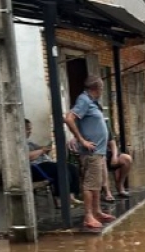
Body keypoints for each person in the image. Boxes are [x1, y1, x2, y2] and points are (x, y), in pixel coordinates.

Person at [64, 75, 115, 229]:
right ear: (96, 88)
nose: (102, 90)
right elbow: (69, 118)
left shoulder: (92, 102)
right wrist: (81, 140)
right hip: (91, 152)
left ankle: (97, 211)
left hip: (98, 151)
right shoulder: (84, 100)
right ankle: (88, 216)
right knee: (90, 185)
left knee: (97, 184)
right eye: (101, 87)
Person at [26, 118, 82, 206]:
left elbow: (41, 149)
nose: (30, 131)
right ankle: (60, 199)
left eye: (30, 129)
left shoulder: (31, 143)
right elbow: (27, 157)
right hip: (34, 167)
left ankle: (71, 196)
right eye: (28, 129)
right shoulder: (18, 144)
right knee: (58, 169)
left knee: (71, 167)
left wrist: (46, 149)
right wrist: (41, 151)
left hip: (45, 164)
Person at [102, 124, 132, 202]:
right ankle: (107, 192)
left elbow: (112, 143)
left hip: (107, 154)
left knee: (127, 159)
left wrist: (114, 156)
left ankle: (120, 185)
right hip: (97, 156)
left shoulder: (104, 124)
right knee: (102, 160)